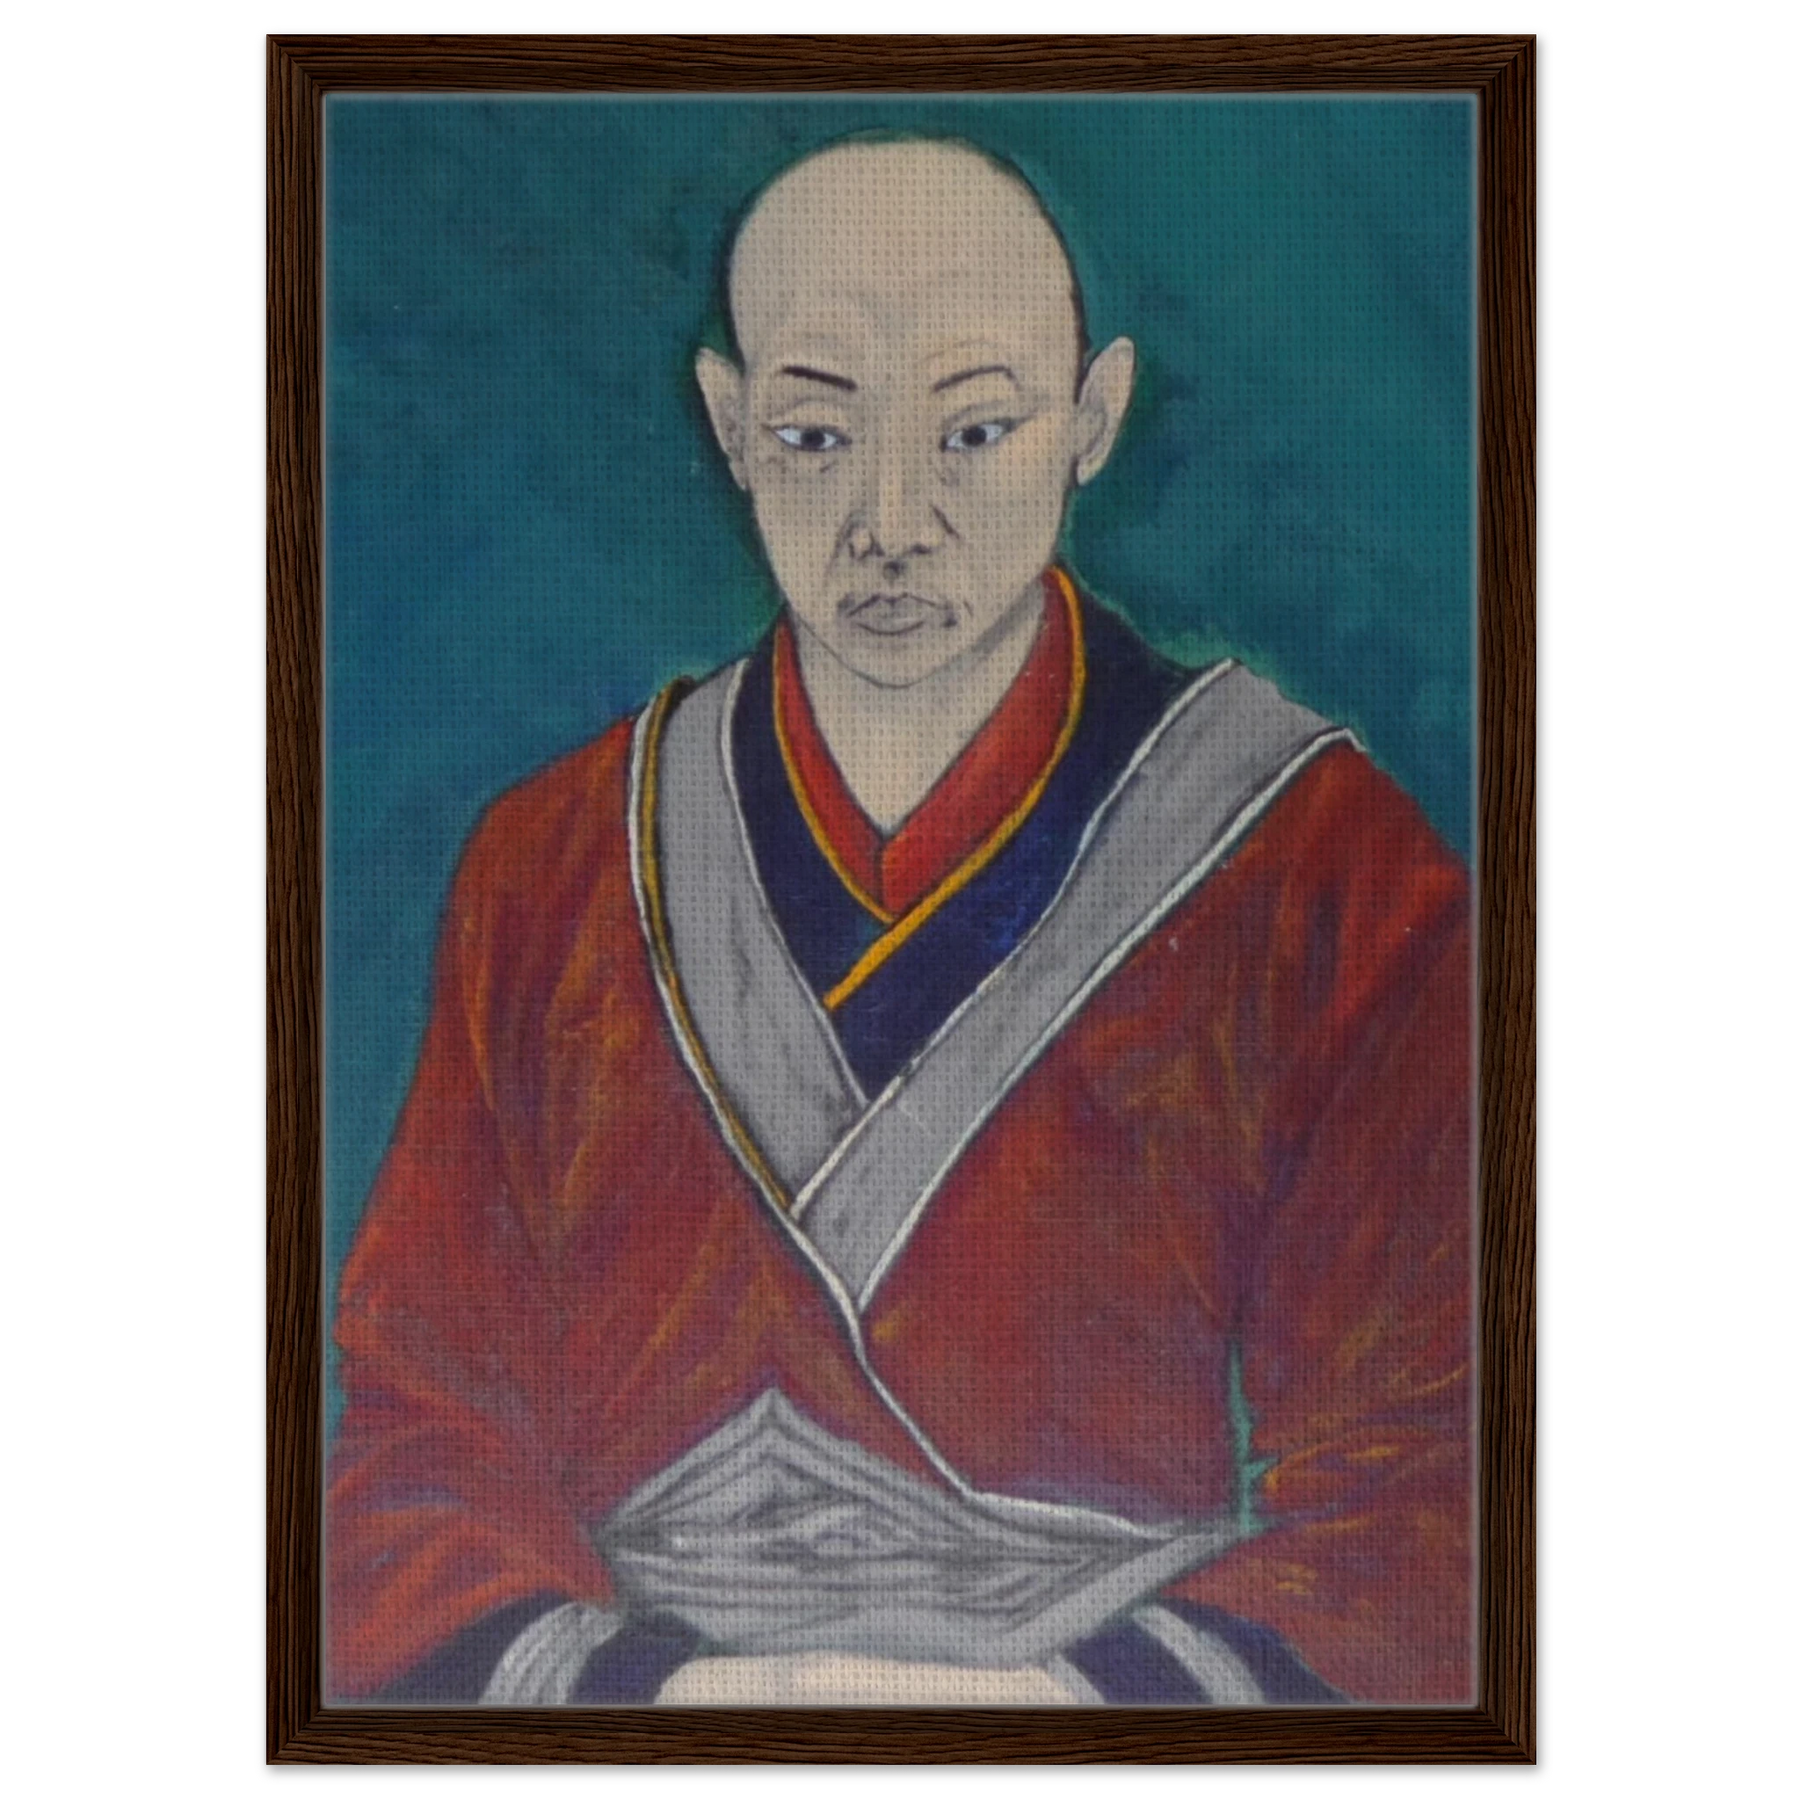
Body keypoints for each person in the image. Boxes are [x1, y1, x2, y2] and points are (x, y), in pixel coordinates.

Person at [326, 136, 1474, 1708]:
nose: (891, 519)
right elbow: (416, 1443)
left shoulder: (1324, 864)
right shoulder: (554, 860)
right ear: (728, 424)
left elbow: (1441, 1492)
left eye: (976, 431)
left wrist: (1051, 1703)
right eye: (814, 434)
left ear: (1093, 418)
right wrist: (671, 1699)